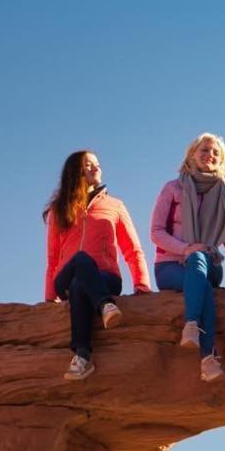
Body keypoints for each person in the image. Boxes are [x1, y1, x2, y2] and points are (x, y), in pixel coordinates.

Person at [43, 150, 151, 381]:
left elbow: (132, 249)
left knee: (80, 285)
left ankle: (82, 356)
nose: (96, 168)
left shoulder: (115, 206)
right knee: (80, 261)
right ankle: (105, 306)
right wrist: (49, 297)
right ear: (75, 171)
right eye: (89, 165)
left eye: (97, 165)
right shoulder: (59, 209)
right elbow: (52, 257)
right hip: (65, 277)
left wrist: (141, 285)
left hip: (106, 277)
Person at [150, 133, 225, 383]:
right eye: (204, 150)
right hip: (169, 265)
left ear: (222, 160)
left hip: (210, 262)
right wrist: (185, 248)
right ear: (192, 155)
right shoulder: (173, 188)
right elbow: (156, 232)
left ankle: (192, 325)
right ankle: (208, 359)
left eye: (215, 153)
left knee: (200, 263)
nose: (210, 155)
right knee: (204, 288)